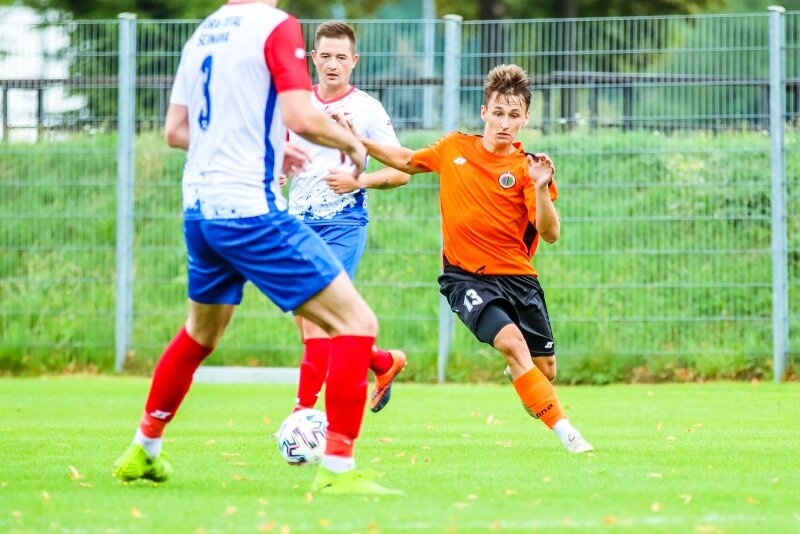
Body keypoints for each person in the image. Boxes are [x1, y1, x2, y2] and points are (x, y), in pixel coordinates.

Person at [111, 0, 401, 495]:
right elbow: (300, 114)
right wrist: (352, 145)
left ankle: (144, 447)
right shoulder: (275, 25)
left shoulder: (204, 33)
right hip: (249, 212)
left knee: (200, 333)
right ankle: (338, 470)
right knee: (357, 323)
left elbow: (176, 131)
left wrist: (265, 147)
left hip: (200, 211)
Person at [339, 64, 594, 454]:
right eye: (498, 113)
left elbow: (551, 233)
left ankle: (524, 377)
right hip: (466, 277)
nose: (504, 123)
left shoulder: (527, 169)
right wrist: (360, 141)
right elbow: (406, 160)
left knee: (544, 371)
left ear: (526, 118)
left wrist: (542, 188)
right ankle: (569, 435)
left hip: (519, 278)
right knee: (511, 343)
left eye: (513, 115)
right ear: (483, 111)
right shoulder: (454, 148)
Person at [284, 21, 409, 416]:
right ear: (313, 58)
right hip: (296, 225)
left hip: (342, 224)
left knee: (318, 321)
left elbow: (403, 171)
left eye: (341, 57)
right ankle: (384, 362)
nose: (333, 64)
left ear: (355, 61)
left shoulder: (367, 109)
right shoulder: (296, 105)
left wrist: (360, 180)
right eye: (326, 56)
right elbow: (282, 155)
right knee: (314, 323)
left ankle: (303, 416)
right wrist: (277, 171)